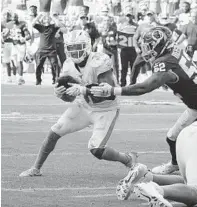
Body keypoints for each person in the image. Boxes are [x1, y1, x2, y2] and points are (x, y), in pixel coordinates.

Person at [90, 26, 197, 175]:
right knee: (194, 137)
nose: (146, 50)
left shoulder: (165, 62)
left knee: (177, 138)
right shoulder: (173, 49)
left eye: (149, 47)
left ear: (160, 45)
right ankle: (185, 163)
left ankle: (188, 167)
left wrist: (113, 90)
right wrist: (133, 76)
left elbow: (145, 88)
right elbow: (139, 62)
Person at [19, 29, 137, 177]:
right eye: (71, 48)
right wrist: (61, 94)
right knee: (55, 131)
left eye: (78, 47)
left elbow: (107, 94)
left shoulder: (100, 60)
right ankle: (35, 168)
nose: (75, 51)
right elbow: (70, 97)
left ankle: (127, 158)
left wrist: (82, 90)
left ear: (87, 46)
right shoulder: (68, 64)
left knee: (96, 150)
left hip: (105, 109)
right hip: (84, 105)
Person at [32, 13, 61, 85]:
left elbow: (58, 24)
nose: (47, 19)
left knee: (55, 65)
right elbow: (33, 23)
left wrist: (51, 16)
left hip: (51, 50)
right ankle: (38, 81)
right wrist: (39, 16)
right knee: (39, 65)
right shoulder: (41, 27)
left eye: (48, 19)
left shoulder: (53, 27)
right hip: (41, 50)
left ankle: (56, 80)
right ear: (43, 21)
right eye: (45, 19)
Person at [10, 12, 31, 85]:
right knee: (14, 63)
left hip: (21, 45)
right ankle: (14, 77)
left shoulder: (22, 24)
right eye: (12, 18)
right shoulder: (9, 25)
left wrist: (24, 38)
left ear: (17, 18)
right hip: (13, 45)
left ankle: (20, 78)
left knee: (19, 61)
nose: (13, 19)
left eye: (14, 17)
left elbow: (28, 36)